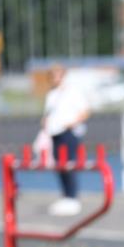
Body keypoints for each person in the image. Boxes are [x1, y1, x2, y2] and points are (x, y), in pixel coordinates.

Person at [41, 65, 90, 216]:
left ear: (63, 76)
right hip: (54, 133)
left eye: (57, 75)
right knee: (59, 164)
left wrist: (71, 123)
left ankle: (72, 197)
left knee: (69, 163)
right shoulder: (52, 94)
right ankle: (65, 196)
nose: (54, 78)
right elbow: (49, 112)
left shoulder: (72, 92)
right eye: (52, 75)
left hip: (68, 132)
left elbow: (85, 111)